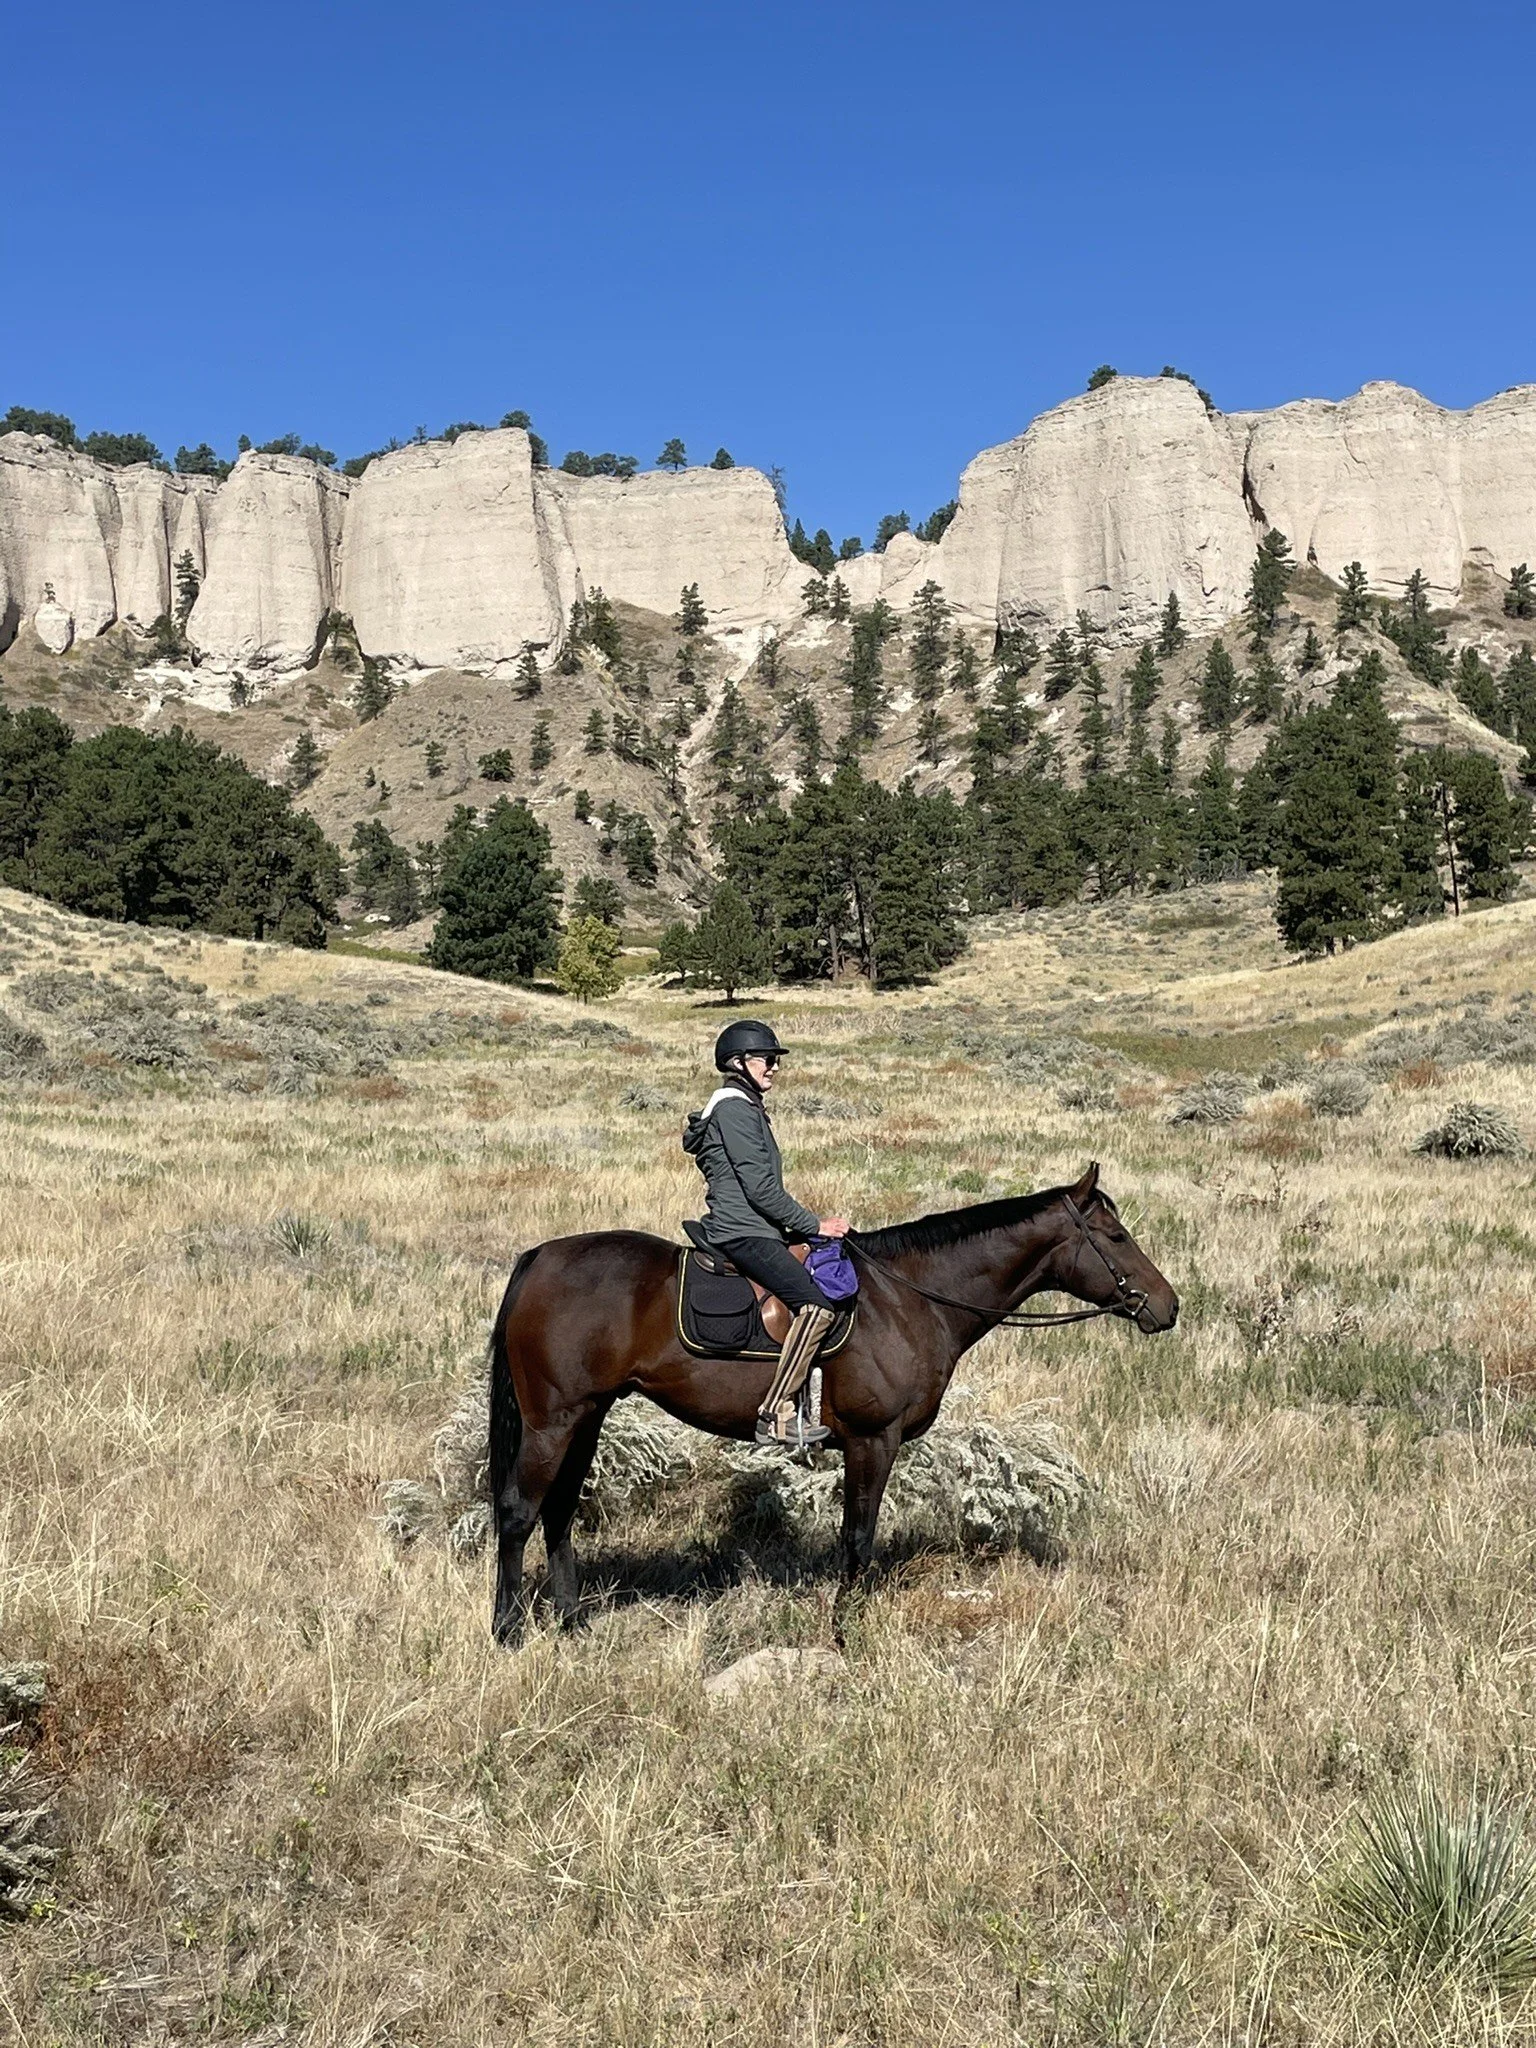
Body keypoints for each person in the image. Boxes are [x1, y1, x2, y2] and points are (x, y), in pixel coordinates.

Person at [682, 1019, 849, 1447]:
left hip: (757, 1227)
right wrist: (815, 1225)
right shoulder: (735, 1108)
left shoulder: (744, 1105)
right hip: (743, 1232)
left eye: (776, 1060)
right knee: (816, 1308)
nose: (774, 1067)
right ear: (738, 1062)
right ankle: (775, 1413)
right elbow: (760, 1188)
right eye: (767, 1059)